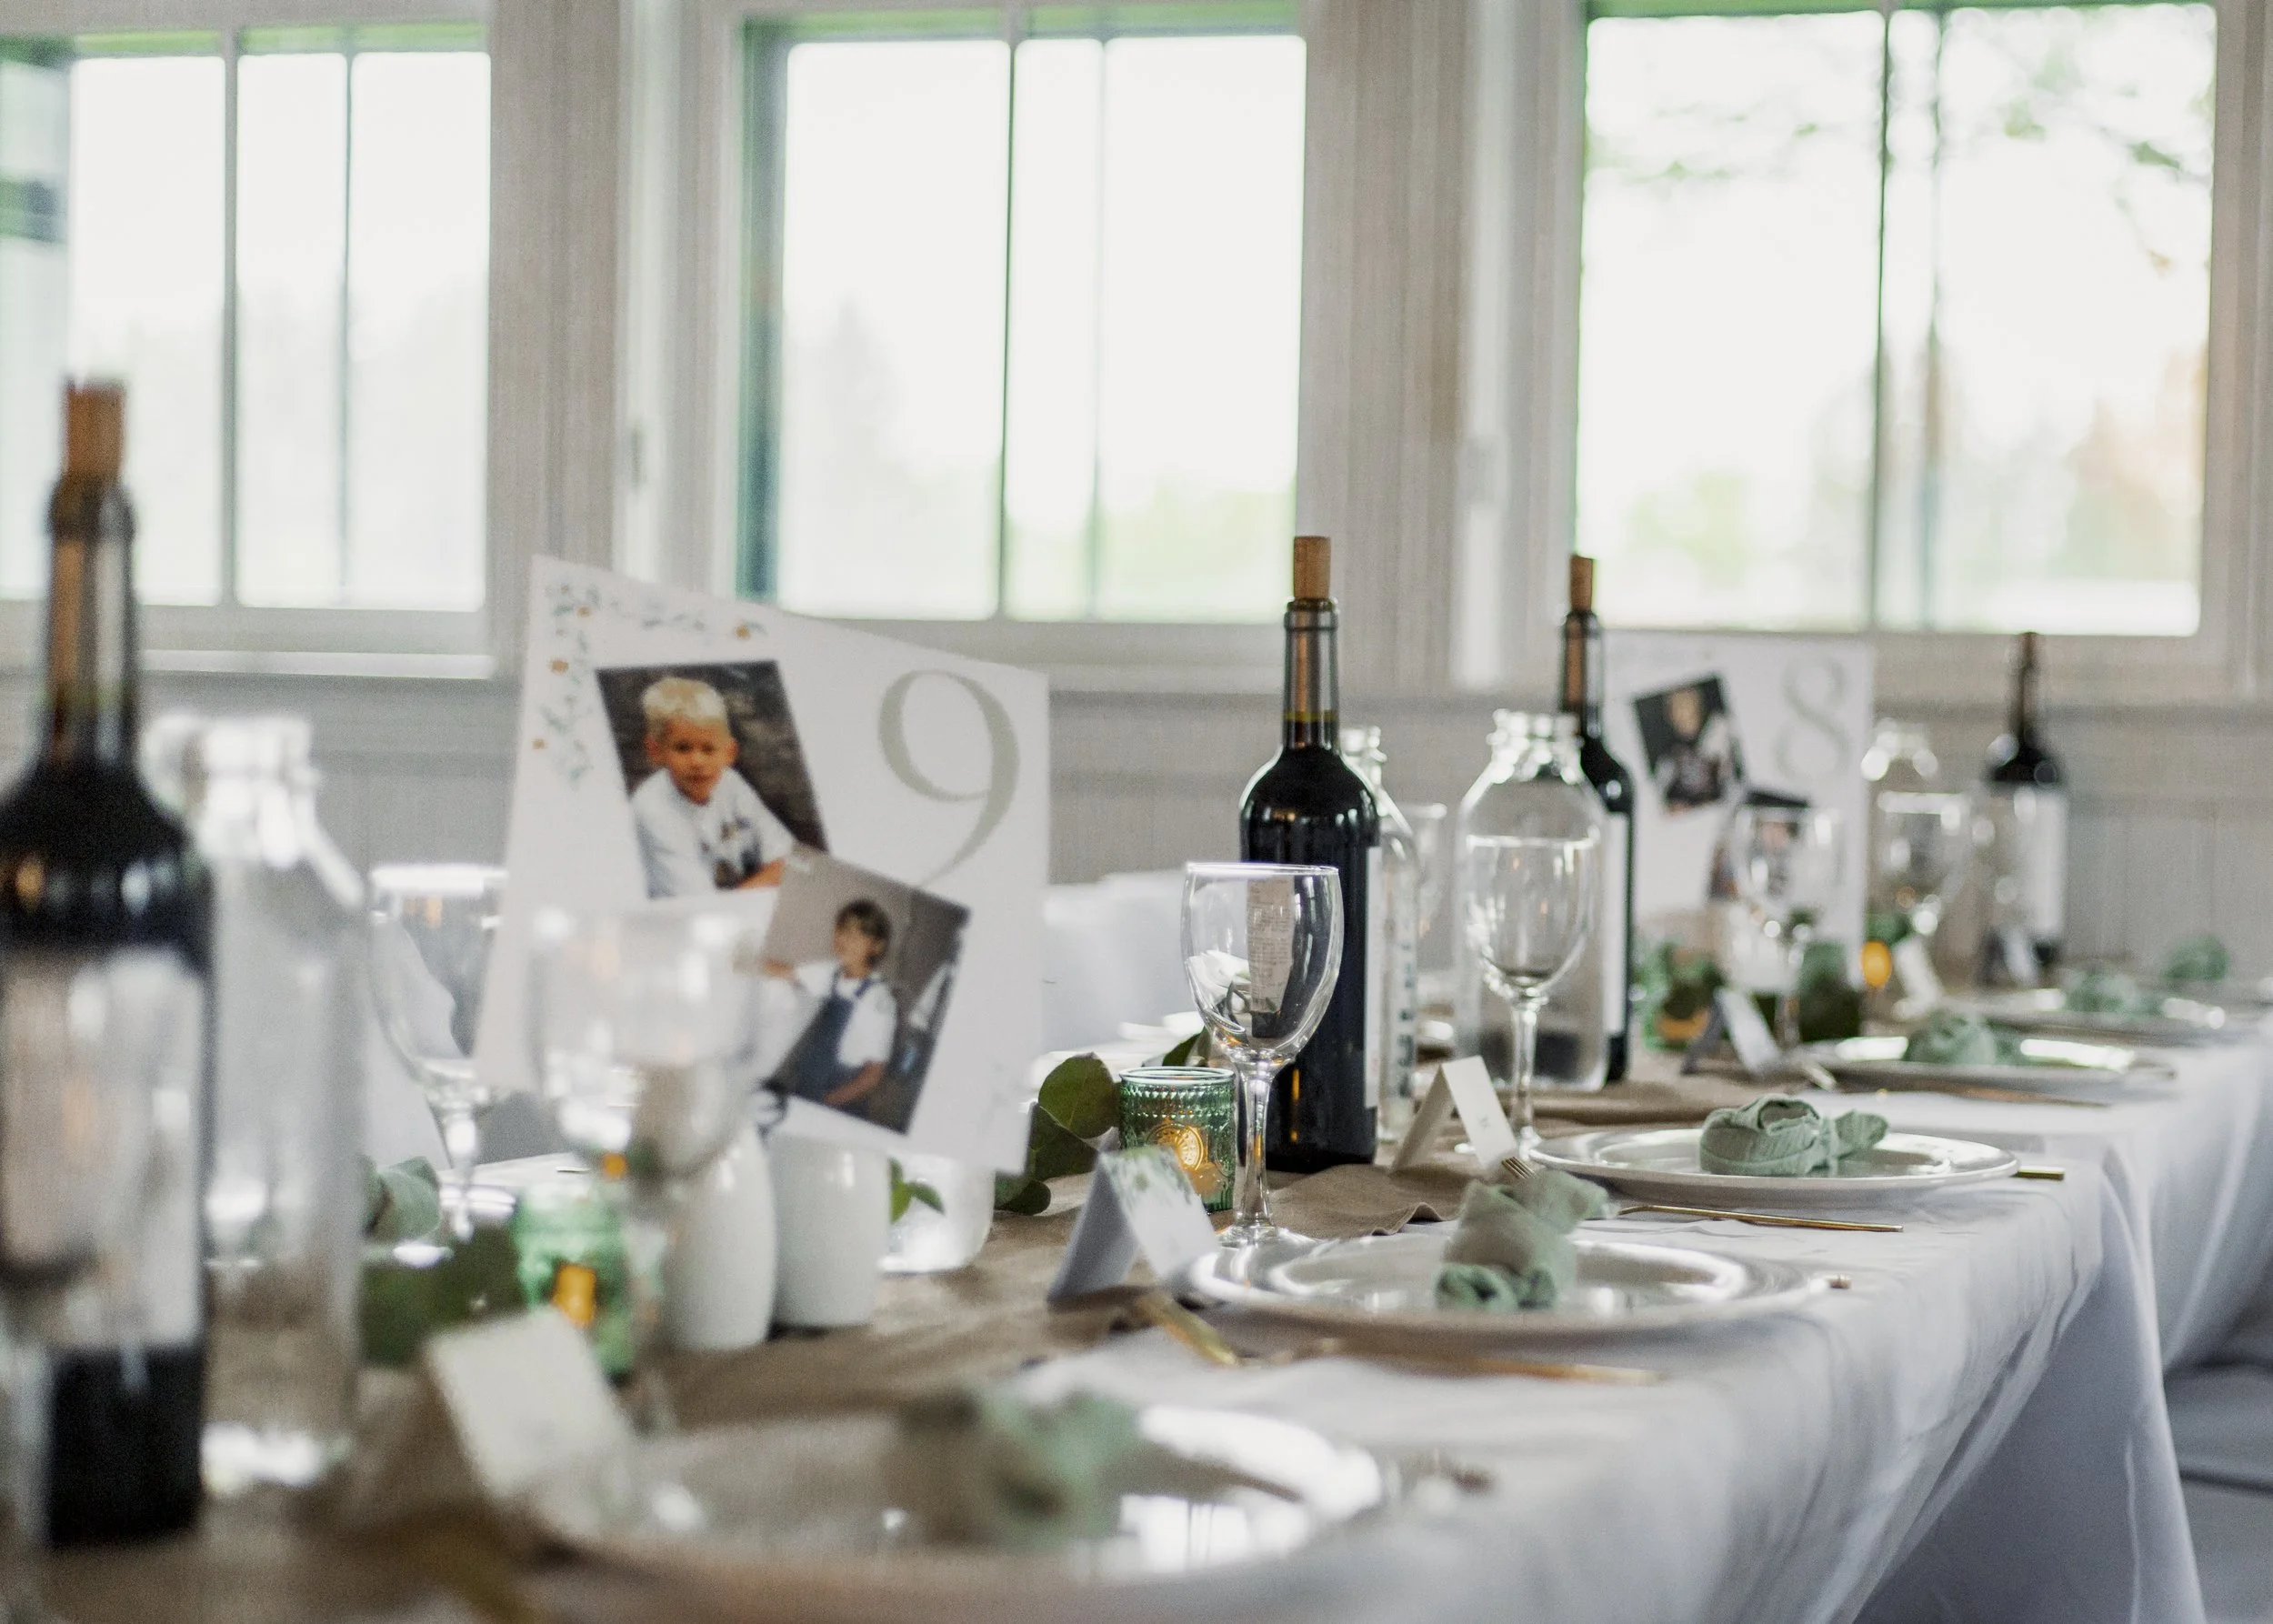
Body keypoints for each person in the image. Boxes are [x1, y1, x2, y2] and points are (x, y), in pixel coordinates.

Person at [629, 676, 797, 897]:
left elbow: (789, 862)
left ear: (729, 752)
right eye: (683, 748)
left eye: (708, 749)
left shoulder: (730, 782)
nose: (697, 762)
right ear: (655, 750)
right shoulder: (650, 809)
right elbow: (702, 905)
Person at [766, 899, 900, 1115]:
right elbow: (786, 971)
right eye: (842, 930)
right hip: (807, 1080)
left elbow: (873, 1074)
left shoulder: (878, 1001)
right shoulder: (832, 973)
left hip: (838, 1098)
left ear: (876, 946)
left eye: (857, 935)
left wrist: (828, 1101)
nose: (844, 940)